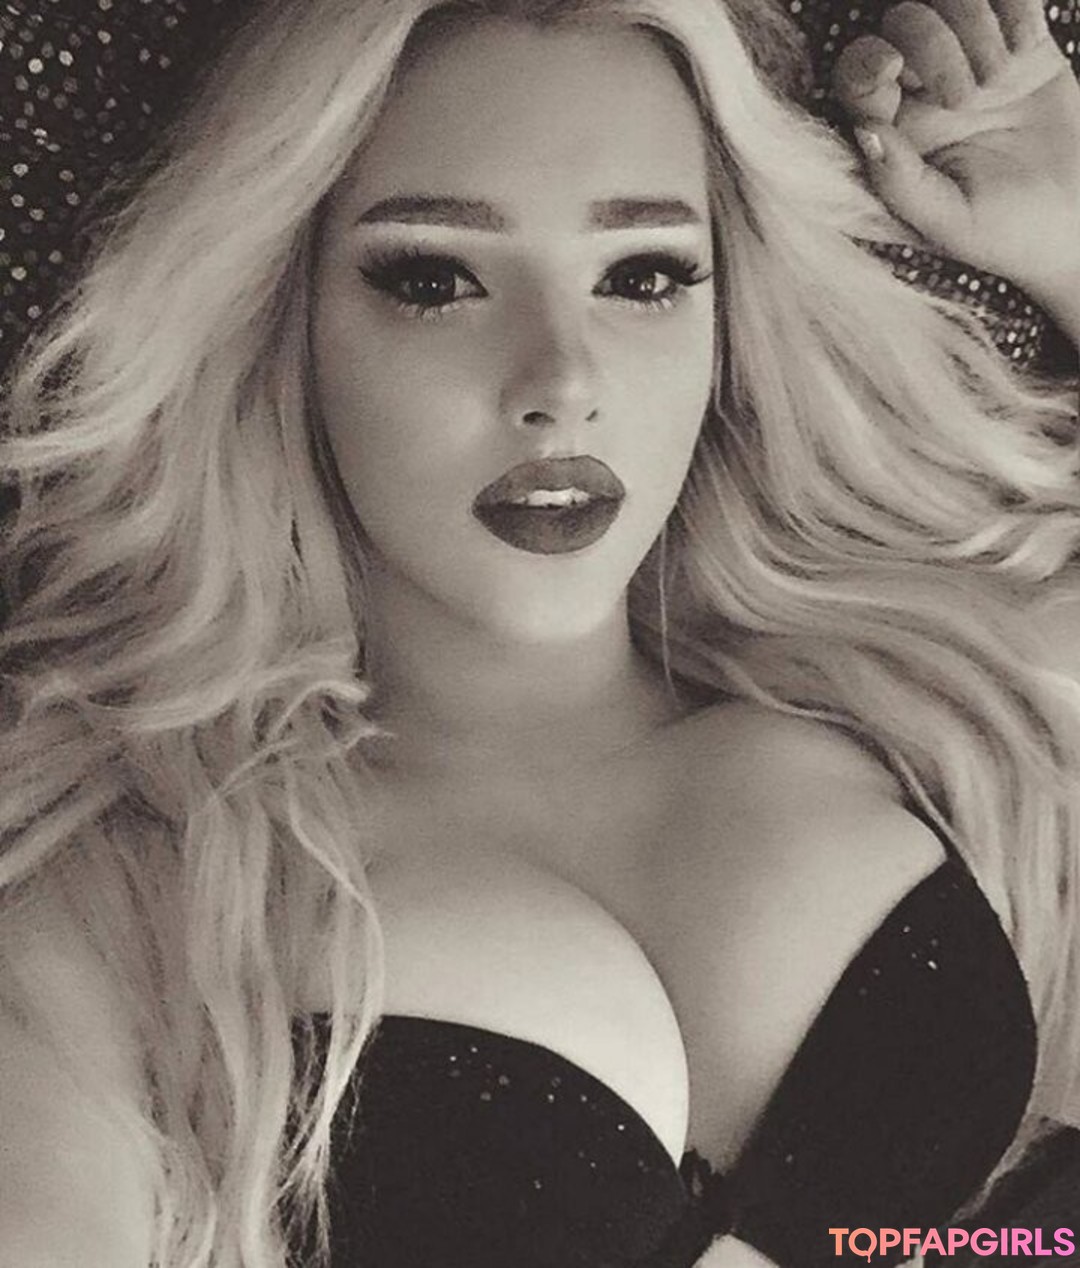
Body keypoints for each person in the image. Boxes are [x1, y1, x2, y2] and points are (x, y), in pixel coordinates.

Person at [0, 1, 1078, 1266]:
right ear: (281, 318)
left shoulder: (940, 706)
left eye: (644, 276)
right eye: (432, 280)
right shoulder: (116, 899)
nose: (562, 380)